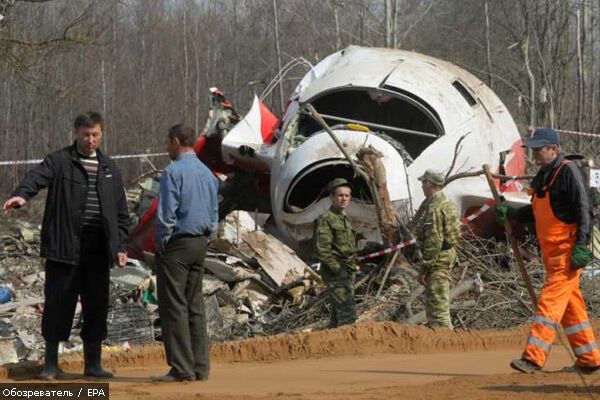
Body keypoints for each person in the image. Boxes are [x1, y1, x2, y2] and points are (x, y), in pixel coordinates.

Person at [2, 112, 130, 379]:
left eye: (95, 134)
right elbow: (36, 176)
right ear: (76, 133)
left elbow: (121, 214)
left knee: (96, 306)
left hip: (97, 251)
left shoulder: (110, 169)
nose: (90, 140)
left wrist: (120, 246)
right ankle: (51, 364)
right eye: (86, 134)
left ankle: (92, 364)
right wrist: (21, 195)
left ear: (101, 134)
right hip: (64, 248)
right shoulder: (60, 161)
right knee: (59, 304)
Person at [496, 127, 600, 374]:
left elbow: (584, 210)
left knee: (549, 304)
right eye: (532, 150)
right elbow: (536, 210)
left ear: (554, 149)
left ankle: (533, 358)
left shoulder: (568, 171)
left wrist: (583, 247)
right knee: (572, 309)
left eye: (539, 150)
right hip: (551, 254)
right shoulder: (543, 175)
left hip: (568, 253)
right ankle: (590, 360)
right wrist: (513, 214)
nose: (534, 155)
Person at [151, 124, 219, 382]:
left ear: (176, 141)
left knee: (174, 306)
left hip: (178, 244)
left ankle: (181, 368)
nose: (167, 148)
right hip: (200, 244)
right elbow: (214, 214)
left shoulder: (173, 172)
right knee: (195, 305)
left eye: (169, 143)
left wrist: (161, 242)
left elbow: (167, 213)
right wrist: (208, 237)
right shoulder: (207, 173)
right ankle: (200, 367)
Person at [414, 170, 460, 329]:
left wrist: (425, 268)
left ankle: (446, 345)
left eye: (423, 183)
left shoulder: (435, 208)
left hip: (438, 263)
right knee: (438, 306)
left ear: (429, 184)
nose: (421, 186)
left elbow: (434, 241)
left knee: (438, 312)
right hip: (445, 260)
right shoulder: (447, 204)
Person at [314, 178, 358, 328]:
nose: (344, 198)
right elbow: (322, 250)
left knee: (338, 314)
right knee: (348, 315)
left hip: (347, 269)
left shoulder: (343, 218)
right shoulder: (326, 219)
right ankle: (349, 348)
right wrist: (338, 270)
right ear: (332, 197)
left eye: (347, 195)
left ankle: (334, 346)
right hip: (336, 272)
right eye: (340, 195)